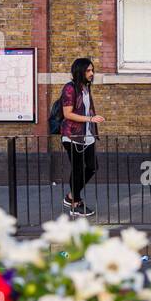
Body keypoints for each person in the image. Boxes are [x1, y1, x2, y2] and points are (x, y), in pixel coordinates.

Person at [60, 57, 104, 217]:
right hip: (72, 136)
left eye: (92, 70)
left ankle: (71, 196)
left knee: (92, 167)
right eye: (88, 70)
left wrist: (92, 120)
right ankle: (75, 204)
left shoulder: (85, 87)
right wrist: (90, 119)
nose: (92, 73)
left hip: (87, 135)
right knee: (78, 169)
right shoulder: (70, 88)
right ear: (80, 71)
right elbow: (67, 113)